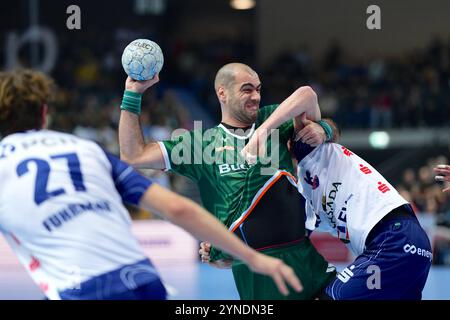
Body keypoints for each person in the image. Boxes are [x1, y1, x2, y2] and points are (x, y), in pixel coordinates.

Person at [0, 69, 302, 300]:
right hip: (142, 280)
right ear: (43, 113)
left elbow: (308, 102)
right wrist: (251, 257)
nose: (256, 97)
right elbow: (176, 207)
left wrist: (133, 92)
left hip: (76, 288)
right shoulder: (87, 150)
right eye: (247, 89)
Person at [118, 62, 337, 300]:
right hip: (258, 271)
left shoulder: (273, 120)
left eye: (258, 89)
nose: (256, 96)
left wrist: (323, 128)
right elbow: (133, 155)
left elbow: (307, 95)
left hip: (306, 258)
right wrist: (133, 93)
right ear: (222, 92)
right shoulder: (198, 145)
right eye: (247, 89)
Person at [241, 90, 432, 299]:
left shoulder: (306, 150)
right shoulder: (301, 204)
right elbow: (278, 242)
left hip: (392, 237)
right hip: (406, 247)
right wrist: (219, 249)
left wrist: (262, 132)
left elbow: (306, 95)